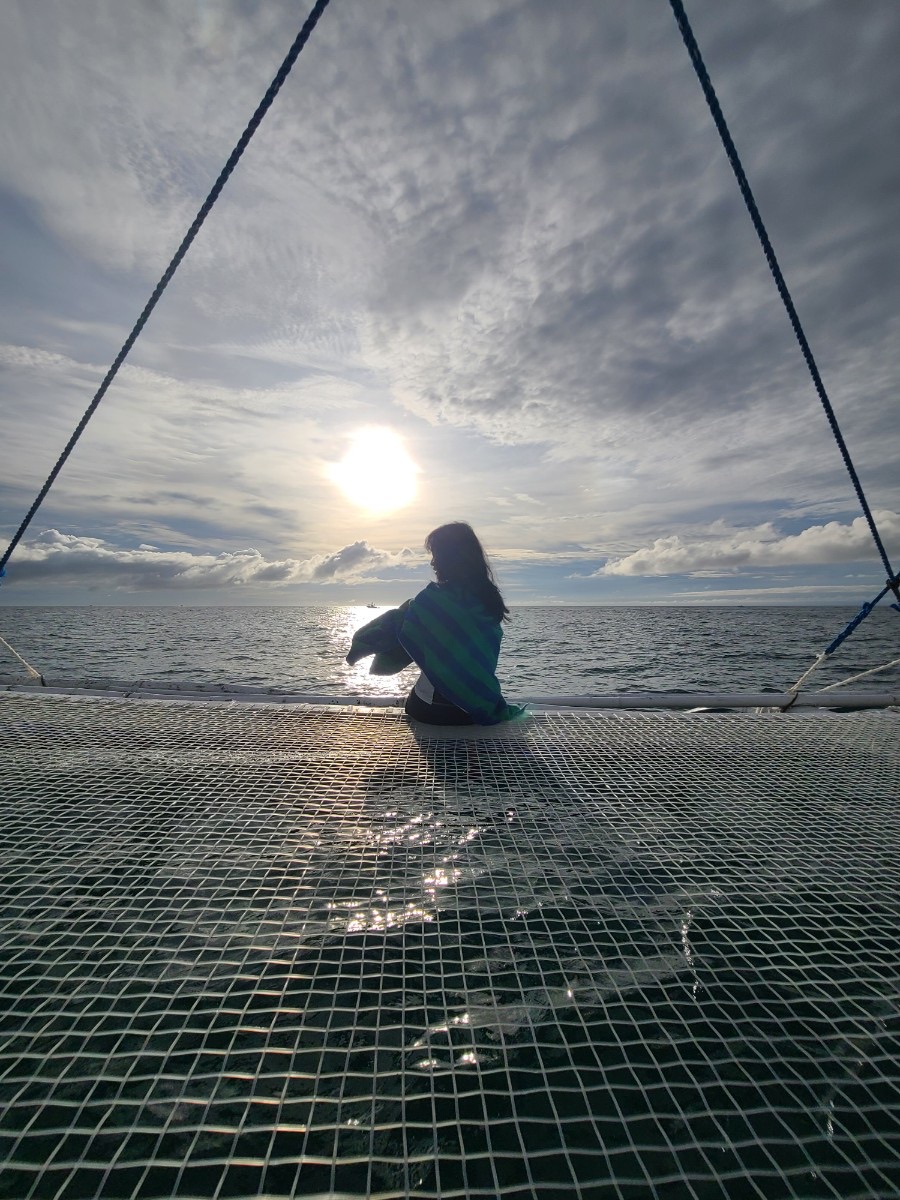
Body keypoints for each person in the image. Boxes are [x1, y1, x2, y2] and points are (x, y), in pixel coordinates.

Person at [346, 522, 525, 726]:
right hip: (479, 708)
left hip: (432, 710)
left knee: (407, 614)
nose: (432, 563)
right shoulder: (490, 600)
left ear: (449, 558)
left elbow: (398, 629)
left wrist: (367, 642)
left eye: (436, 555)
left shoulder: (431, 601)